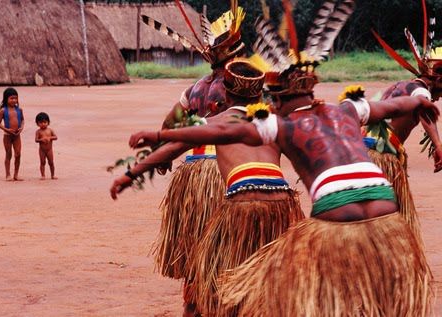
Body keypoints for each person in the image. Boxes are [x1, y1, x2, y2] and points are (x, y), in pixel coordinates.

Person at [129, 2, 437, 315]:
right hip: (248, 175)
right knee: (262, 256)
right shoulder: (259, 91)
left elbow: (176, 126)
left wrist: (158, 153)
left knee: (206, 252)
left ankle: (199, 299)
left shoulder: (195, 90)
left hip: (199, 174)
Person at [113, 60, 304, 316]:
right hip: (283, 202)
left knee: (213, 278)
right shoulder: (272, 121)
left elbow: (173, 147)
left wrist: (130, 175)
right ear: (259, 94)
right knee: (273, 279)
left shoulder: (217, 120)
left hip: (243, 200)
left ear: (225, 92)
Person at [138, 5, 247, 315]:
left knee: (196, 249)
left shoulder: (195, 89)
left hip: (192, 176)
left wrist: (162, 159)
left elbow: (168, 126)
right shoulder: (243, 89)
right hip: (228, 174)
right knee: (227, 249)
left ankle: (194, 303)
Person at [367, 1, 442, 238]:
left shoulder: (399, 86)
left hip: (365, 149)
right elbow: (423, 108)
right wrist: (439, 146)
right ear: (437, 77)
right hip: (382, 154)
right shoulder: (420, 91)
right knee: (390, 218)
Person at [0, 87, 24, 181]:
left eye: (15, 98)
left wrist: (21, 128)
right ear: (6, 99)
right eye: (11, 98)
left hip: (17, 136)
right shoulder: (3, 110)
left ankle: (16, 174)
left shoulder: (19, 110)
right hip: (7, 136)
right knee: (9, 154)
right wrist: (7, 130)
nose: (14, 100)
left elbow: (23, 120)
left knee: (18, 154)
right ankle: (8, 174)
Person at [35, 112, 58, 180]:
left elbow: (56, 137)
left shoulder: (50, 130)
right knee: (42, 162)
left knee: (51, 162)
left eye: (45, 122)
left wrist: (50, 138)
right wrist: (41, 139)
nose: (43, 124)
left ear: (48, 122)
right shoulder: (38, 131)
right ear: (37, 123)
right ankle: (43, 175)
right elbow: (36, 140)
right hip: (42, 150)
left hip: (49, 150)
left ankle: (52, 175)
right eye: (41, 123)